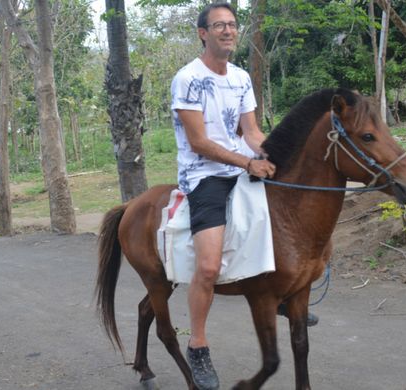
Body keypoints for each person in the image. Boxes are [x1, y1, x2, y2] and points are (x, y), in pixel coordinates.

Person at [170, 4, 278, 389]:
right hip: (205, 175)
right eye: (219, 26)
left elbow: (250, 131)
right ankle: (197, 344)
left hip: (241, 165)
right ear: (203, 33)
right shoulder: (187, 79)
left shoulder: (241, 77)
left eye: (232, 25)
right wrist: (246, 164)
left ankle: (280, 294)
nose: (228, 31)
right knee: (210, 267)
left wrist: (271, 154)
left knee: (287, 217)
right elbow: (199, 143)